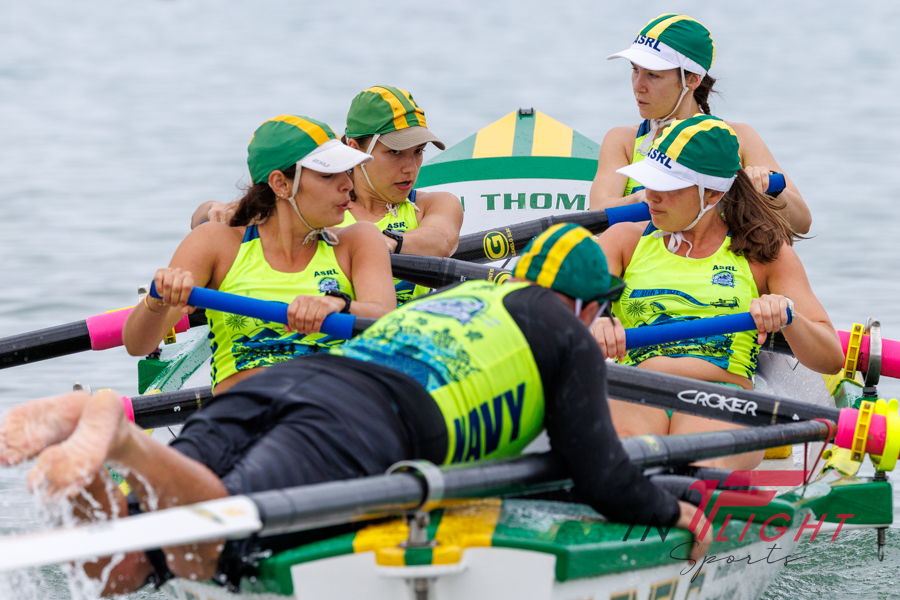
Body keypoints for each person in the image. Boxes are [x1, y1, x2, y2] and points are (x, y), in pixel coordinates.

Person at [1, 224, 711, 594]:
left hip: (286, 379)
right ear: (585, 305)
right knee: (217, 539)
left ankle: (84, 454)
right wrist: (672, 510)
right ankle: (121, 439)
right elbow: (599, 473)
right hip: (363, 420)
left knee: (120, 569)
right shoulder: (567, 332)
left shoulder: (462, 296)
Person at [591, 114, 844, 470]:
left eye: (668, 186)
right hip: (637, 389)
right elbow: (573, 309)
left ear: (711, 193)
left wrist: (787, 314)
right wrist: (595, 323)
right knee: (620, 463)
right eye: (650, 181)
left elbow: (831, 357)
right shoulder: (623, 241)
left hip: (723, 399)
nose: (651, 196)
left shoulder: (763, 254)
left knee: (696, 467)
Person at [125, 115, 397, 394]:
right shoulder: (217, 244)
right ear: (281, 184)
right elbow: (137, 345)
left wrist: (340, 305)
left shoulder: (359, 240)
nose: (348, 184)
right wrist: (157, 301)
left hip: (328, 404)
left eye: (347, 172)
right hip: (243, 407)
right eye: (328, 175)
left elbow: (390, 324)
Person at [193, 86, 464, 306]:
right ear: (355, 148)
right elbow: (203, 219)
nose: (411, 167)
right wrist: (213, 210)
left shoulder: (434, 204)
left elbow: (440, 242)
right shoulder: (318, 208)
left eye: (418, 151)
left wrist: (379, 245)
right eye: (395, 152)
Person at [588, 14, 812, 234]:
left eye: (653, 75)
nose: (638, 86)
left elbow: (802, 223)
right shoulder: (622, 141)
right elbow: (596, 216)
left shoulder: (739, 138)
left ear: (693, 79)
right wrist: (643, 196)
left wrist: (769, 189)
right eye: (635, 70)